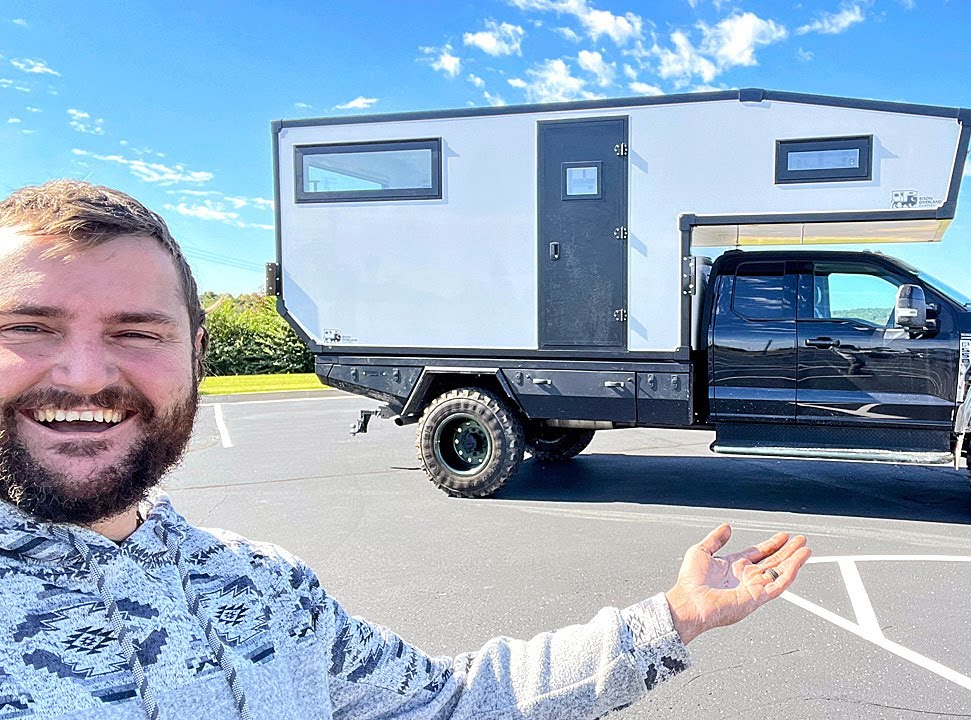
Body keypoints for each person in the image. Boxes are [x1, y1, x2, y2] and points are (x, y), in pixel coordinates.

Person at [0, 180, 811, 720]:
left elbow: (452, 700)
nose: (84, 375)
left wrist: (670, 620)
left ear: (196, 354)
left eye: (137, 332)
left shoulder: (260, 588)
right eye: (27, 328)